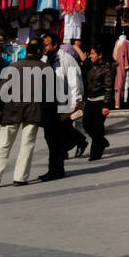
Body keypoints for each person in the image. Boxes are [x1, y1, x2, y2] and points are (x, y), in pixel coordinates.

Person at [0, 37, 50, 187]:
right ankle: (20, 178)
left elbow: (1, 90)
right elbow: (50, 95)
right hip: (33, 111)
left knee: (3, 143)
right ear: (39, 51)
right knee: (27, 144)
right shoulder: (45, 69)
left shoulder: (14, 67)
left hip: (12, 110)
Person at [39, 32, 82, 182]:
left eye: (46, 45)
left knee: (58, 139)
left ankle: (58, 169)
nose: (44, 48)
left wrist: (75, 104)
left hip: (64, 105)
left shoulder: (66, 59)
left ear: (55, 45)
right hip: (49, 106)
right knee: (50, 138)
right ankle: (52, 169)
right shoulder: (45, 59)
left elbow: (74, 81)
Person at [81, 44, 115, 162]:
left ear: (100, 55)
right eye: (90, 53)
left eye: (93, 54)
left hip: (100, 101)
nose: (91, 56)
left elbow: (109, 87)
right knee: (86, 124)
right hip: (90, 99)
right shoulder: (90, 65)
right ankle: (102, 141)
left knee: (97, 127)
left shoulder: (107, 68)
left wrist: (106, 105)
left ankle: (95, 152)